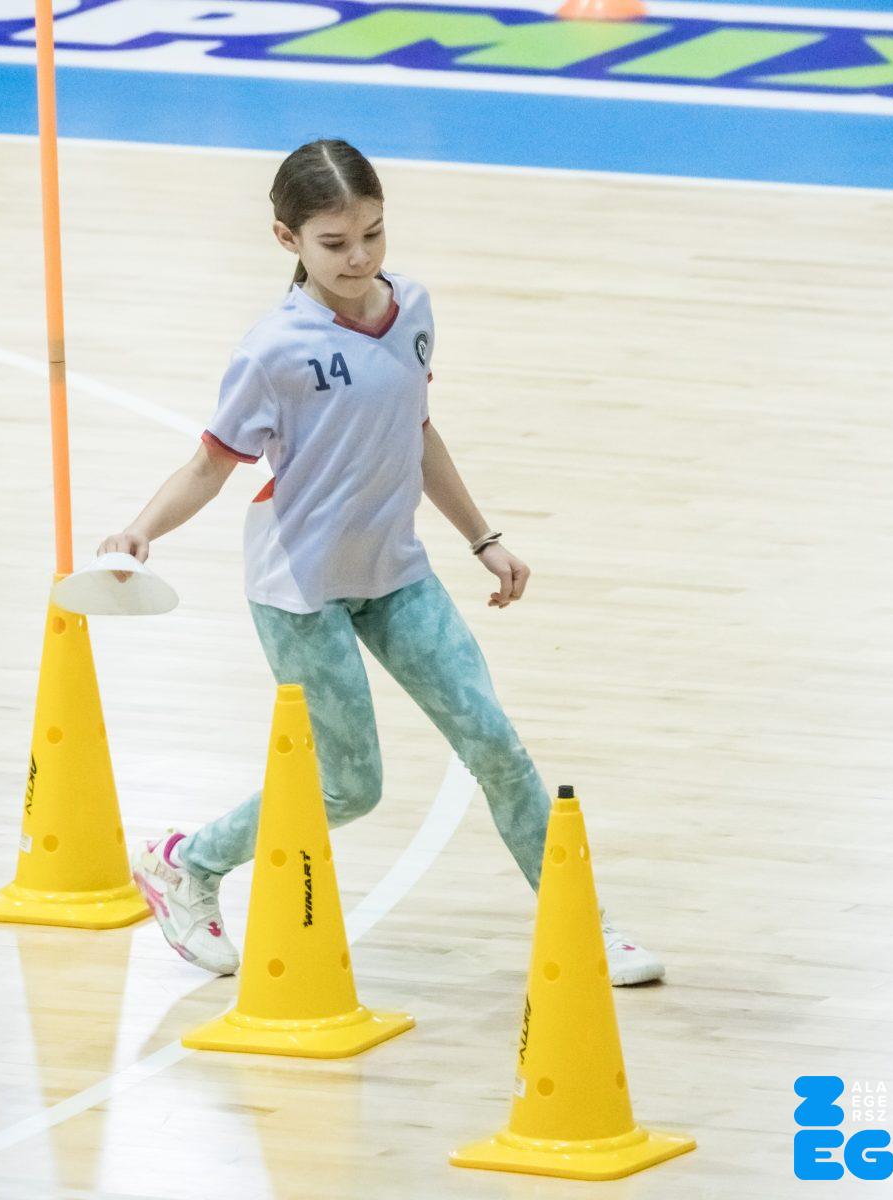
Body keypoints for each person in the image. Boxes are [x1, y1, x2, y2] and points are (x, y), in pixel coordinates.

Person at [115, 139, 664, 987]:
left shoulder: (412, 310)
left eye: (372, 233)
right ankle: (184, 862)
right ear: (287, 239)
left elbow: (417, 431)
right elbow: (209, 466)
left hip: (397, 573)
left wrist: (482, 537)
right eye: (334, 243)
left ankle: (588, 928)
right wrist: (140, 530)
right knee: (349, 787)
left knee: (496, 745)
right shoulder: (272, 350)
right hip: (300, 591)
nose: (359, 257)